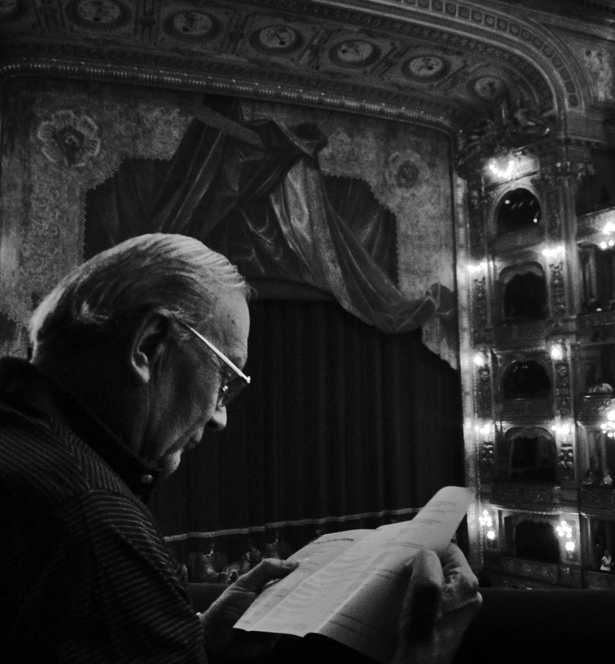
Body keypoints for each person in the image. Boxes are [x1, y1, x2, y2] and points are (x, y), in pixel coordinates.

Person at [0, 233, 480, 663]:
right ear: (148, 344)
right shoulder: (96, 529)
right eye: (225, 378)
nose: (220, 415)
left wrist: (198, 644)